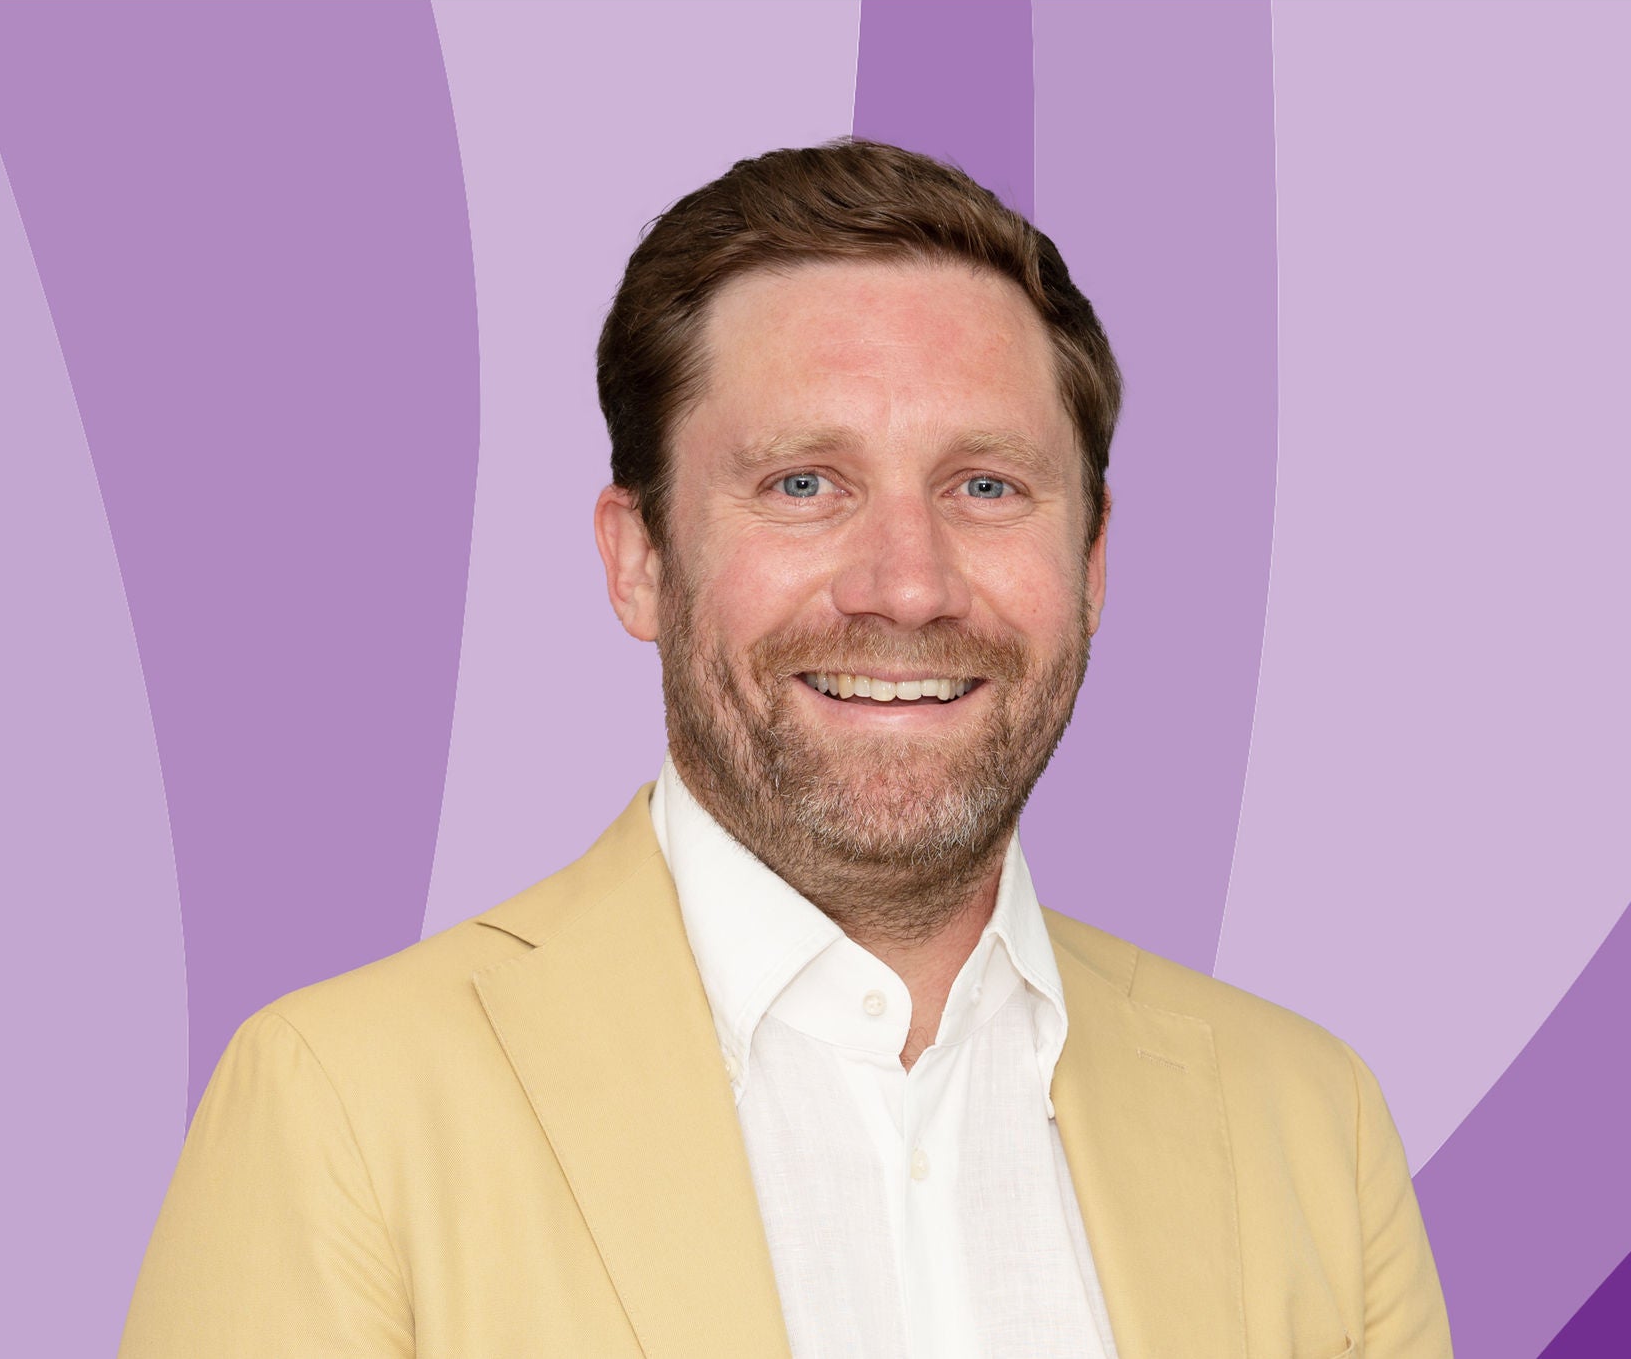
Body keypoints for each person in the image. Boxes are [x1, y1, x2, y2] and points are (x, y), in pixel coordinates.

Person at [119, 140, 1452, 1359]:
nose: (908, 584)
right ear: (640, 560)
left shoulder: (1309, 1126)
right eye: (803, 484)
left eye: (985, 485)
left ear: (1093, 564)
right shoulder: (344, 1109)